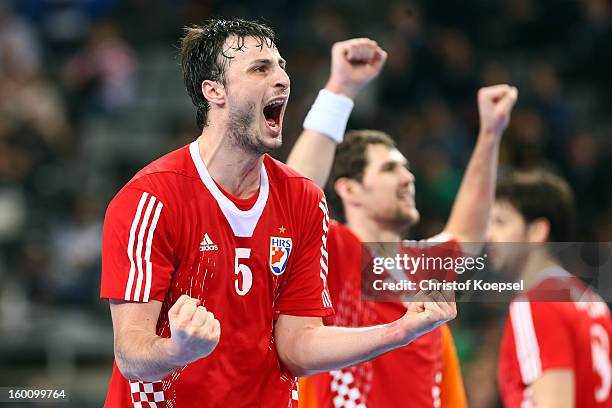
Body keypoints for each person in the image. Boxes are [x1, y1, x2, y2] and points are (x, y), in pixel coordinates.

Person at [99, 19, 456, 408]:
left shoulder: (302, 199)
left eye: (281, 65)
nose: (283, 78)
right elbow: (131, 352)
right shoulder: (151, 198)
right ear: (214, 91)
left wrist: (399, 330)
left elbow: (297, 346)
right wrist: (177, 350)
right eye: (260, 68)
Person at [287, 39, 517, 407]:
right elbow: (292, 196)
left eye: (407, 168)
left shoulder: (419, 263)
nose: (408, 178)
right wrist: (340, 90)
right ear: (350, 189)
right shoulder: (335, 251)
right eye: (390, 168)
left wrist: (490, 133)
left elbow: (468, 233)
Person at [488, 170, 612, 407]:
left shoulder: (535, 303)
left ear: (537, 231)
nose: (489, 235)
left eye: (500, 222)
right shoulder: (591, 300)